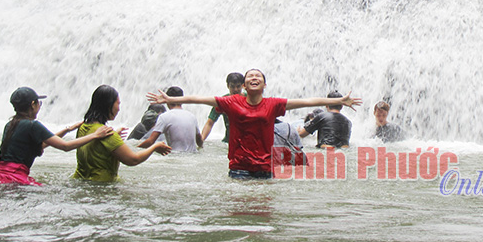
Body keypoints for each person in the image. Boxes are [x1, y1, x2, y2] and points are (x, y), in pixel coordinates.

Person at [146, 68, 361, 179]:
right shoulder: (232, 102)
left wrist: (338, 101)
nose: (253, 77)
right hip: (239, 168)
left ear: (264, 84)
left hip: (266, 168)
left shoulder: (273, 104)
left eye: (258, 76)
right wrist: (171, 100)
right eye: (250, 76)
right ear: (244, 86)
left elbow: (306, 101)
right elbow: (201, 99)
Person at [0, 87, 113, 186]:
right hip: (15, 179)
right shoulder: (33, 125)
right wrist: (95, 135)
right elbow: (65, 146)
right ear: (33, 104)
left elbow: (41, 144)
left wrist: (68, 129)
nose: (39, 106)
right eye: (39, 103)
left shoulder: (10, 125)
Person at [72, 85, 171, 182]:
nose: (119, 109)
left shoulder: (83, 127)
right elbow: (133, 160)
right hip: (102, 186)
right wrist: (154, 147)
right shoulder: (108, 134)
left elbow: (94, 149)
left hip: (80, 180)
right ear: (109, 105)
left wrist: (114, 137)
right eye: (118, 104)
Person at [138, 86, 202, 153]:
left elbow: (150, 141)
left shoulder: (164, 117)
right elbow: (199, 140)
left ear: (166, 99)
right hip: (192, 156)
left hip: (176, 156)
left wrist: (135, 150)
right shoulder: (192, 116)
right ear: (182, 100)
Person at [200, 72, 244, 143]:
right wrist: (201, 140)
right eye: (232, 86)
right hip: (228, 142)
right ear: (227, 86)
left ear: (243, 86)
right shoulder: (222, 102)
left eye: (238, 86)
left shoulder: (250, 99)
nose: (235, 89)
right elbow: (210, 122)